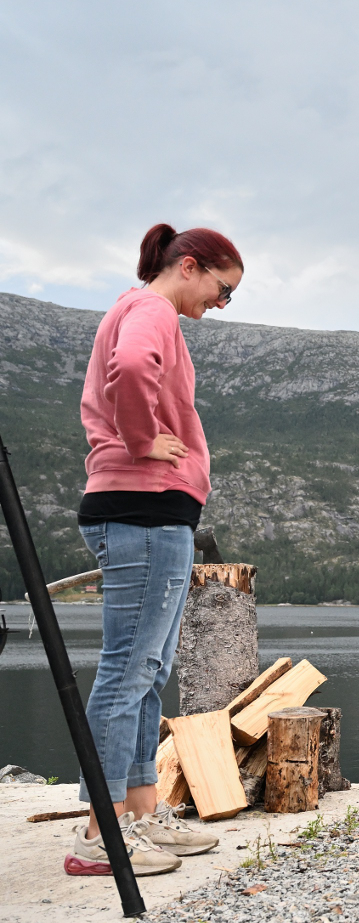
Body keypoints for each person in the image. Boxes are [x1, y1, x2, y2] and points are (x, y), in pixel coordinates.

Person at [65, 224, 242, 877]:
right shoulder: (150, 310)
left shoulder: (144, 310)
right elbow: (133, 368)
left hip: (155, 514)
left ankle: (141, 817)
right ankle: (100, 836)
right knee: (126, 671)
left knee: (146, 673)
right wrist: (143, 441)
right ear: (190, 267)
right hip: (140, 511)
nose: (220, 306)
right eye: (222, 290)